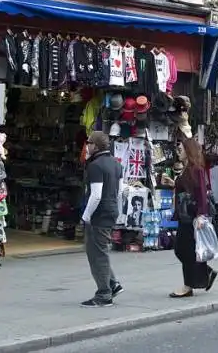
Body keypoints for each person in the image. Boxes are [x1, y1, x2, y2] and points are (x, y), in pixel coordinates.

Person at [81, 131, 123, 307]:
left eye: (89, 143)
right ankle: (112, 284)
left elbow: (96, 195)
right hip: (111, 210)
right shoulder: (116, 164)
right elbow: (120, 191)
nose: (86, 146)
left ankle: (104, 294)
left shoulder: (95, 166)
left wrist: (86, 215)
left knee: (97, 254)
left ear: (95, 146)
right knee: (101, 250)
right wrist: (117, 210)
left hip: (99, 213)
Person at [171, 139, 218, 298]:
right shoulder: (187, 169)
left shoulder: (196, 169)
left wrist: (200, 215)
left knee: (185, 250)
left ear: (189, 150)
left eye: (182, 148)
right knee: (184, 250)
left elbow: (201, 194)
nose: (179, 150)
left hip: (191, 215)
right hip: (185, 215)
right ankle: (204, 273)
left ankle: (188, 285)